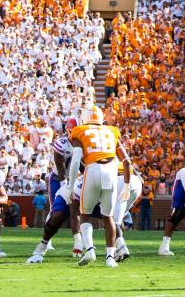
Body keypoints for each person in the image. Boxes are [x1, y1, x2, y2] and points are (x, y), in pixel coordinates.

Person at [69, 106, 131, 267]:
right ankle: (110, 258)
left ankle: (90, 250)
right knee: (108, 216)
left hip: (92, 169)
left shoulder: (79, 131)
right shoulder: (111, 131)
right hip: (111, 171)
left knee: (84, 214)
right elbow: (126, 161)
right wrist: (126, 184)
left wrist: (70, 186)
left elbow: (76, 160)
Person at [27, 117, 85, 264]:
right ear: (68, 130)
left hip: (75, 178)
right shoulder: (62, 144)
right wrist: (65, 184)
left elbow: (82, 165)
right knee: (55, 210)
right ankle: (48, 241)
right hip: (57, 179)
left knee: (79, 210)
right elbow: (60, 167)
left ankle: (83, 242)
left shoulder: (83, 142)